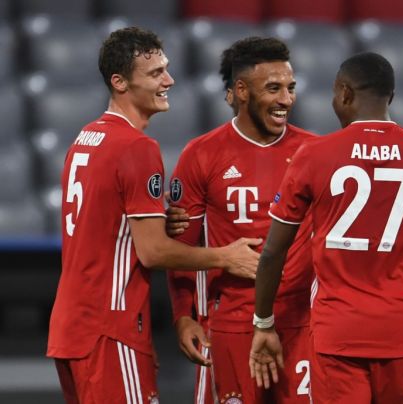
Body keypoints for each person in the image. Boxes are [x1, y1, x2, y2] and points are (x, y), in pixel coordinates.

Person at [46, 27, 261, 403]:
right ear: (120, 82)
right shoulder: (137, 147)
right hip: (111, 329)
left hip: (71, 329)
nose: (169, 80)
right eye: (156, 73)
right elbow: (153, 253)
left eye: (167, 69)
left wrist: (156, 219)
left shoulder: (86, 138)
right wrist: (226, 257)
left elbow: (104, 222)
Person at [250, 52, 403, 403]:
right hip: (400, 330)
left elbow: (273, 252)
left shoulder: (313, 155)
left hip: (336, 332)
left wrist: (264, 322)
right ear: (391, 97)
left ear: (343, 92)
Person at [166, 36, 316, 403]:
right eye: (274, 88)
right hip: (232, 324)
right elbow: (182, 245)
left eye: (290, 88)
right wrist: (184, 315)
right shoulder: (201, 155)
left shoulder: (315, 153)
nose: (286, 100)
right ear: (242, 90)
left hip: (302, 324)